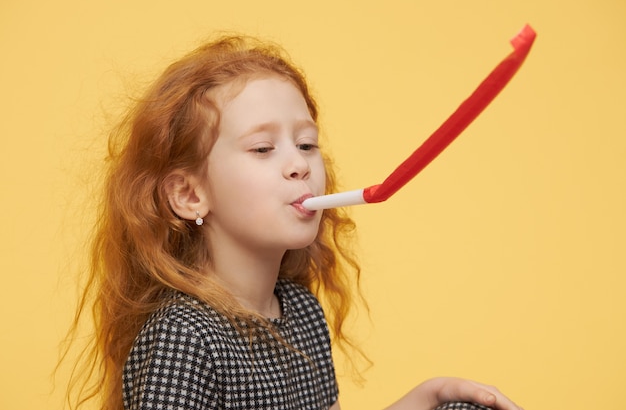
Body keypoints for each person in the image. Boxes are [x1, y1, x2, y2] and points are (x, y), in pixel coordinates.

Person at [65, 35, 522, 410]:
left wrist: (428, 396)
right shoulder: (184, 338)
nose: (299, 165)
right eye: (264, 149)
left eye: (306, 145)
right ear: (188, 194)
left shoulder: (301, 313)